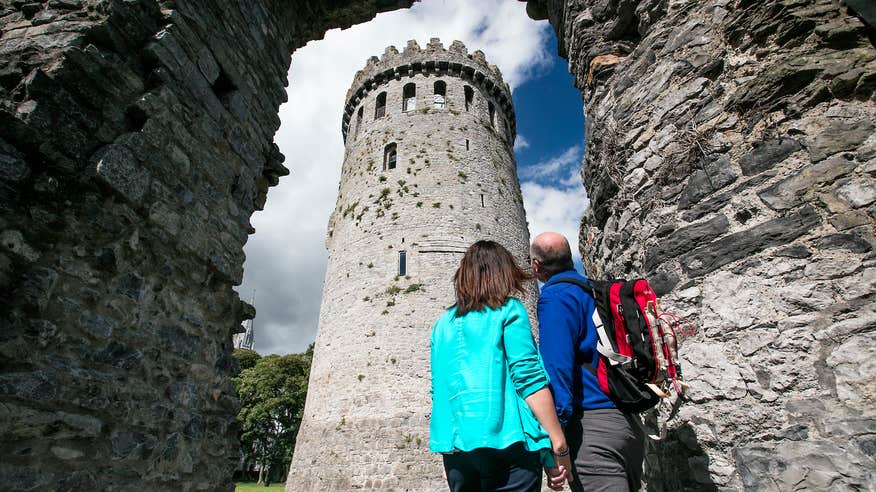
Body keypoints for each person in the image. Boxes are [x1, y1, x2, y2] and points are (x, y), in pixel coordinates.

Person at [430, 240, 573, 492]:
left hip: (456, 449)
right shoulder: (509, 311)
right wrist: (557, 444)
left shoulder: (442, 326)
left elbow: (439, 389)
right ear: (503, 273)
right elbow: (529, 379)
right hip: (506, 444)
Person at [530, 232, 645, 492]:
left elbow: (557, 368)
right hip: (628, 423)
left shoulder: (556, 297)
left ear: (536, 266)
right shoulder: (595, 291)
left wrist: (556, 434)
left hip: (593, 430)